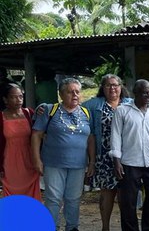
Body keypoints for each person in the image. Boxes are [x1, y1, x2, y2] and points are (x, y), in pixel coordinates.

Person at [31, 77, 95, 231]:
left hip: (78, 164)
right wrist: (37, 160)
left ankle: (72, 227)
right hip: (54, 163)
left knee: (73, 198)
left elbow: (91, 138)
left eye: (77, 92)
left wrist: (92, 162)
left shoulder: (86, 112)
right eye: (70, 92)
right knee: (53, 199)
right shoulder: (48, 110)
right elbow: (36, 135)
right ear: (61, 94)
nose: (75, 95)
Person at [111, 79, 149, 231]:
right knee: (128, 202)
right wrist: (117, 161)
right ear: (136, 93)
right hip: (129, 163)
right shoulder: (122, 111)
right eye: (145, 92)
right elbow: (116, 137)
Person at [82, 74, 132, 231]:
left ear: (121, 86)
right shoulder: (94, 105)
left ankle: (128, 226)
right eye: (108, 85)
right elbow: (73, 107)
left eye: (115, 85)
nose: (112, 88)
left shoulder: (130, 104)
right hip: (104, 156)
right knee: (107, 193)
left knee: (126, 195)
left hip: (128, 156)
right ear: (102, 88)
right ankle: (105, 227)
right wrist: (45, 108)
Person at [1, 83, 40, 199]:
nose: (18, 100)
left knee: (31, 192)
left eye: (21, 96)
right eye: (13, 97)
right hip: (9, 162)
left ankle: (31, 216)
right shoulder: (1, 117)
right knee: (13, 192)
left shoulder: (29, 113)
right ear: (5, 99)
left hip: (30, 160)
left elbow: (39, 135)